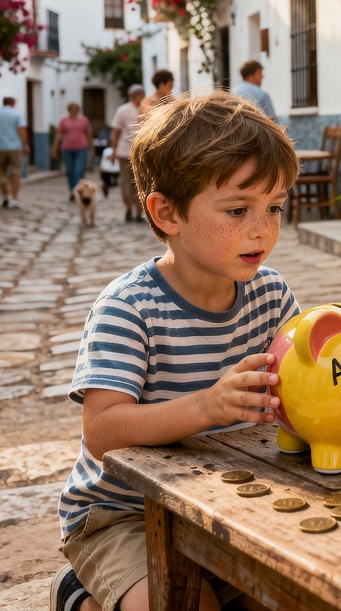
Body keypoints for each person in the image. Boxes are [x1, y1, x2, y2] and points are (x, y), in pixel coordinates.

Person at [51, 90, 301, 611]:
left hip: (232, 501)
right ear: (167, 213)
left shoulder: (271, 294)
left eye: (274, 207)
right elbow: (102, 432)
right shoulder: (128, 308)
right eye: (238, 209)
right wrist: (205, 408)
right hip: (126, 516)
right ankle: (81, 595)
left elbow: (304, 382)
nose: (262, 228)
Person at [108, 85, 145, 222]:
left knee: (140, 183)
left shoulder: (146, 109)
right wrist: (113, 151)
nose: (141, 98)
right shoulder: (123, 110)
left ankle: (138, 212)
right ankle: (128, 209)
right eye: (139, 95)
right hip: (124, 152)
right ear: (133, 97)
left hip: (142, 153)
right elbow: (116, 131)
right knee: (126, 183)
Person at [0, 96, 29, 208]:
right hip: (15, 146)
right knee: (16, 171)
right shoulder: (16, 114)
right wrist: (25, 145)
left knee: (1, 172)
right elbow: (21, 130)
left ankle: (6, 195)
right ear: (13, 103)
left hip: (0, 147)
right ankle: (14, 198)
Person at [56, 102, 94, 199]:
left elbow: (88, 134)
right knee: (69, 171)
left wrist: (91, 146)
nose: (74, 110)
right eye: (72, 108)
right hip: (67, 149)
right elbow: (59, 135)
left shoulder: (84, 120)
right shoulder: (63, 121)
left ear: (78, 110)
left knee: (79, 170)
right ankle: (73, 190)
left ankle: (77, 191)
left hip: (81, 148)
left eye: (75, 108)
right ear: (69, 110)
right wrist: (55, 147)